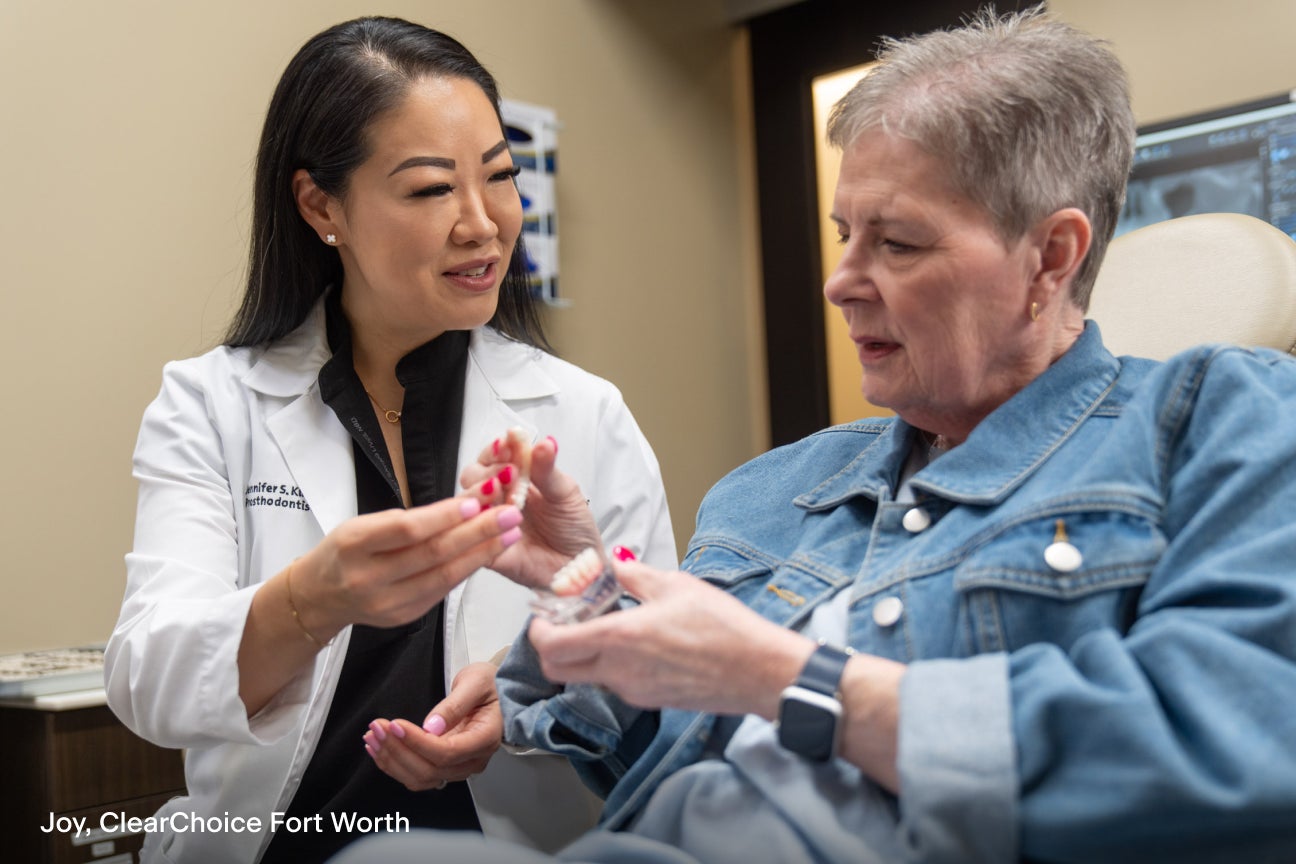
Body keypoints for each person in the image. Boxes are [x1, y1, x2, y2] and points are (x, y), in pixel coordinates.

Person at [328, 7, 1296, 864]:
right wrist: (595, 602)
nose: (841, 280)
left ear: (1051, 257)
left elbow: (1234, 746)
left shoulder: (1217, 417)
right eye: (845, 235)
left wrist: (789, 675)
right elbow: (662, 773)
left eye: (899, 243)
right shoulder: (771, 493)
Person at [104, 16, 676, 864]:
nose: (482, 223)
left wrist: (528, 707)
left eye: (499, 177)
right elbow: (148, 679)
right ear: (320, 205)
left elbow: (668, 679)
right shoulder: (211, 403)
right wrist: (311, 600)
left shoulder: (581, 413)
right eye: (429, 189)